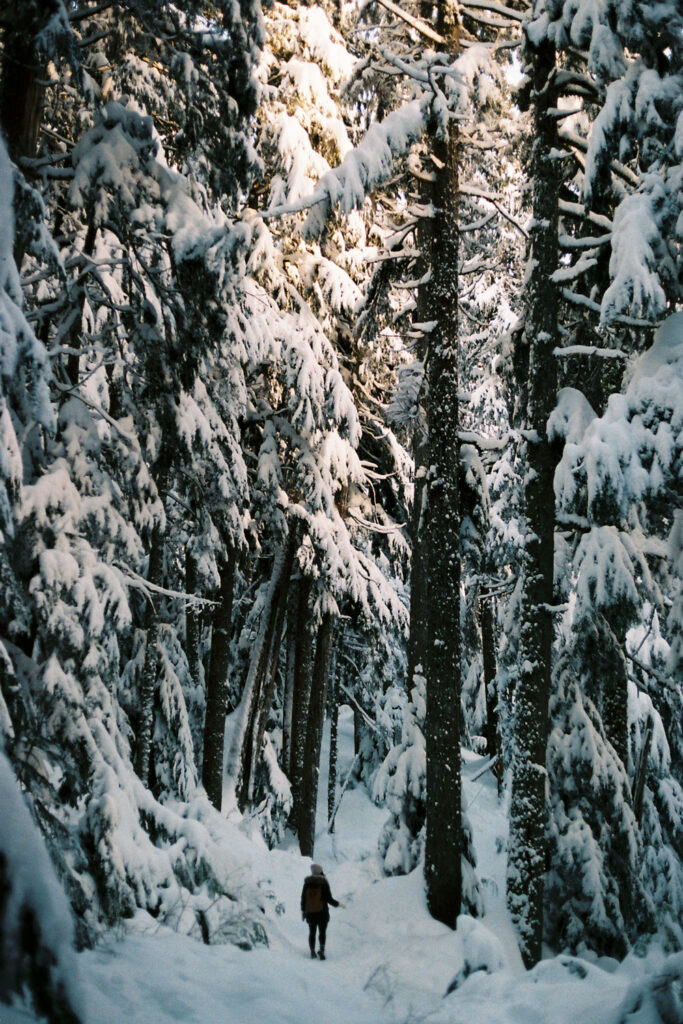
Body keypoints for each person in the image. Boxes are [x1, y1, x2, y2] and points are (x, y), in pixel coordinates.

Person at [300, 863, 340, 960]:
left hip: (310, 913)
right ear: (320, 872)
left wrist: (303, 911)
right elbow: (328, 898)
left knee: (312, 932)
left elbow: (303, 898)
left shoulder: (307, 883)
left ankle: (312, 951)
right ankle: (321, 951)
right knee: (322, 933)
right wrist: (338, 904)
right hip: (322, 913)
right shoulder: (323, 883)